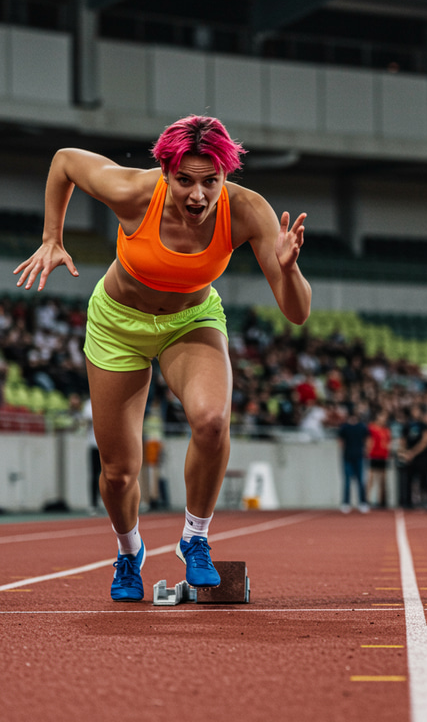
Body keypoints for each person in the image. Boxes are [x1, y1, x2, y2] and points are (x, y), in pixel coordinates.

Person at [14, 115, 311, 601]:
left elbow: (296, 314)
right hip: (118, 326)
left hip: (190, 322)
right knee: (119, 472)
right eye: (184, 181)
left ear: (225, 175)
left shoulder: (248, 212)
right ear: (166, 172)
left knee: (213, 421)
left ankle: (195, 537)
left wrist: (289, 270)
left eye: (209, 181)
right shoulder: (132, 192)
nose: (197, 195)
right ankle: (129, 552)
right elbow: (64, 161)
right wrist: (52, 236)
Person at [338, 407, 370, 513]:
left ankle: (361, 503)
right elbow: (340, 441)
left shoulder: (360, 427)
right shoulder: (345, 427)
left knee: (359, 481)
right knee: (349, 481)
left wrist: (366, 450)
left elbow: (367, 439)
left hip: (357, 456)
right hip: (350, 457)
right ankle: (348, 503)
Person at [366, 408, 392, 508]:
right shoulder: (371, 428)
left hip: (383, 456)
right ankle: (367, 500)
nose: (384, 419)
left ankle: (381, 501)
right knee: (371, 478)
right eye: (383, 416)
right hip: (374, 455)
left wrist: (388, 452)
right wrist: (368, 451)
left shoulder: (386, 430)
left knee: (382, 480)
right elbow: (369, 441)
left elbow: (388, 443)